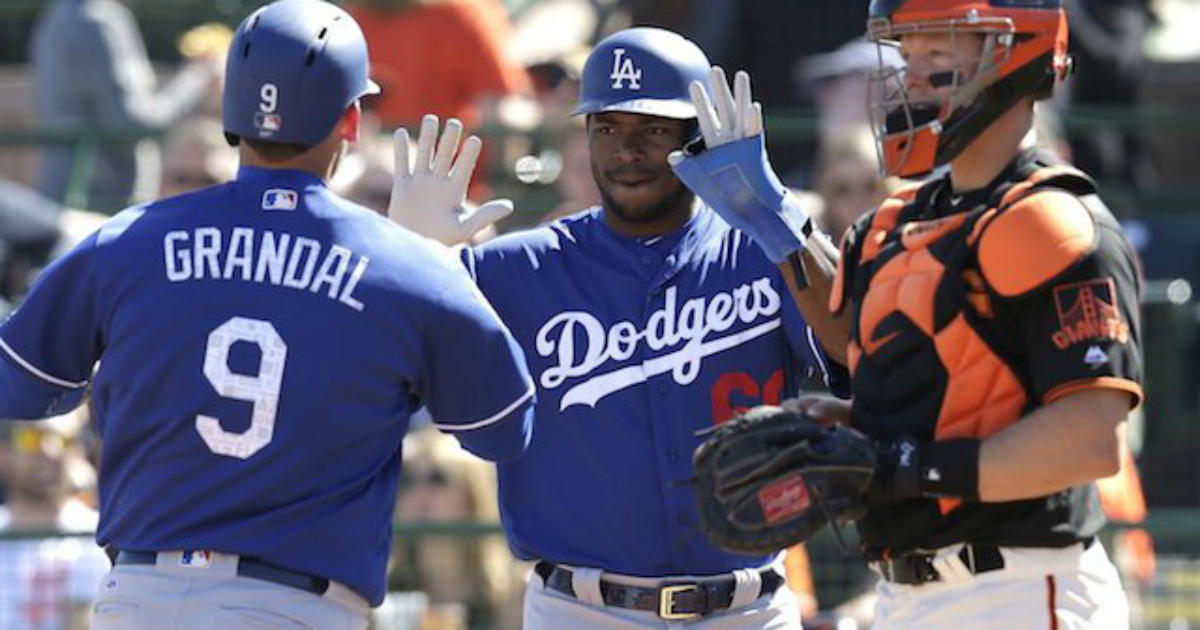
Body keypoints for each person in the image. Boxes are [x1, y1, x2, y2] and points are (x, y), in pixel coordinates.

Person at [0, 2, 536, 629]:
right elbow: (502, 430)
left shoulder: (126, 240)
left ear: (231, 113)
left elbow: (22, 387)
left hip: (139, 594)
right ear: (351, 120)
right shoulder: (403, 268)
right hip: (293, 605)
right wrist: (433, 263)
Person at [684, 1, 1143, 628]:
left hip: (1024, 585)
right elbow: (871, 353)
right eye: (906, 54)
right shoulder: (892, 222)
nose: (912, 75)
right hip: (904, 593)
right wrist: (775, 222)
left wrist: (899, 465)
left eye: (937, 52)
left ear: (1015, 50)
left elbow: (1090, 440)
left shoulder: (1051, 218)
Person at [388, 26, 849, 629]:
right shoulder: (514, 269)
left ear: (697, 136)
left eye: (653, 130)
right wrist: (405, 262)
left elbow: (855, 342)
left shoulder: (764, 250)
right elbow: (380, 381)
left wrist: (779, 212)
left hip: (749, 608)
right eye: (608, 128)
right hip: (581, 610)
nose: (627, 149)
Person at [30, 0, 223, 211]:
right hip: (102, 202)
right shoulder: (98, 21)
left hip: (68, 193)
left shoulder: (58, 15)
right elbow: (133, 124)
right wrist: (199, 75)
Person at [0, 407, 110, 630]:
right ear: (4, 453)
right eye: (32, 438)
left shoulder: (105, 535)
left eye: (63, 440)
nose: (49, 451)